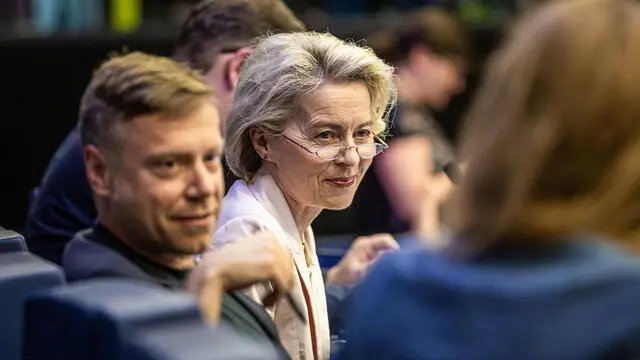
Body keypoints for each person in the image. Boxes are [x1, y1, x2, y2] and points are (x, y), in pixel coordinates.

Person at [339, 0, 640, 359]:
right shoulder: (622, 308)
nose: (457, 83)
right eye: (454, 69)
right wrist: (457, 175)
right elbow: (417, 199)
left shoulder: (394, 288)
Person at [25, 0, 305, 265]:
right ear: (240, 68)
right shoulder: (142, 123)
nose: (204, 188)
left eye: (209, 159)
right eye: (284, 91)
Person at [62, 51, 294, 357]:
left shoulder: (186, 263)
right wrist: (208, 284)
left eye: (210, 158)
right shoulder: (101, 302)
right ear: (100, 172)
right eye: (170, 164)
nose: (204, 188)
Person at [213, 32, 399, 360]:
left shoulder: (292, 215)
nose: (352, 158)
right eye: (326, 135)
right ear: (263, 142)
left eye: (363, 133)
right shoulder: (245, 232)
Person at [354, 8, 470, 238]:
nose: (458, 84)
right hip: (392, 250)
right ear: (422, 58)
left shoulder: (406, 112)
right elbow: (414, 205)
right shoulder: (397, 114)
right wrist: (468, 172)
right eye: (454, 69)